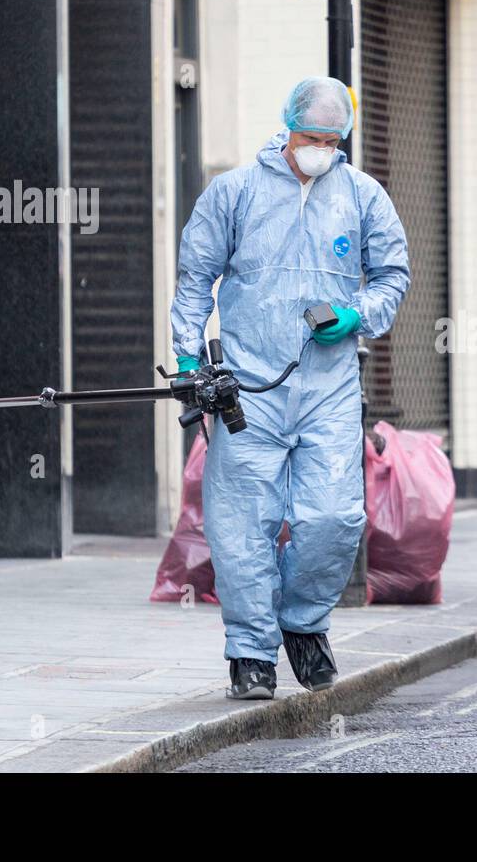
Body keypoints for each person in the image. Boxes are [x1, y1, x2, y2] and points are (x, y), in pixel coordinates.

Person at [170, 77, 410, 699]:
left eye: (333, 141)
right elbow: (196, 277)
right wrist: (187, 354)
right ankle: (251, 652)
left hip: (329, 389)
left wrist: (359, 314)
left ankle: (303, 624)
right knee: (243, 523)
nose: (321, 150)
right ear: (287, 128)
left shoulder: (362, 197)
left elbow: (392, 274)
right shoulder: (235, 193)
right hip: (248, 388)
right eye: (312, 137)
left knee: (334, 517)